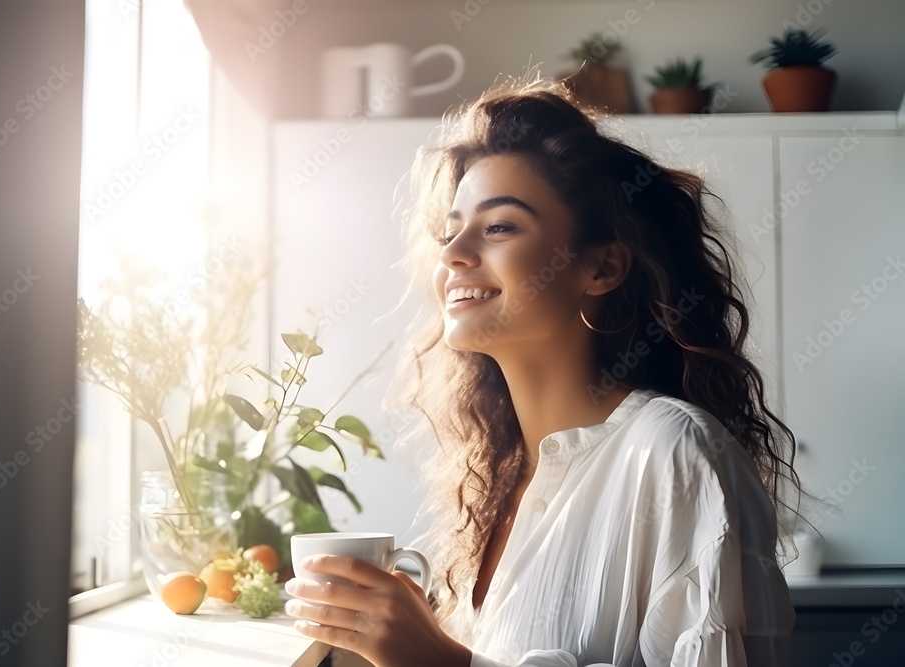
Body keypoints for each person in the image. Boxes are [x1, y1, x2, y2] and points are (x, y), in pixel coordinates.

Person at [283, 69, 816, 667]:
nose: (454, 254)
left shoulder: (672, 452)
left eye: (500, 226)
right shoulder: (498, 476)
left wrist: (438, 660)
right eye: (451, 230)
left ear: (602, 268)